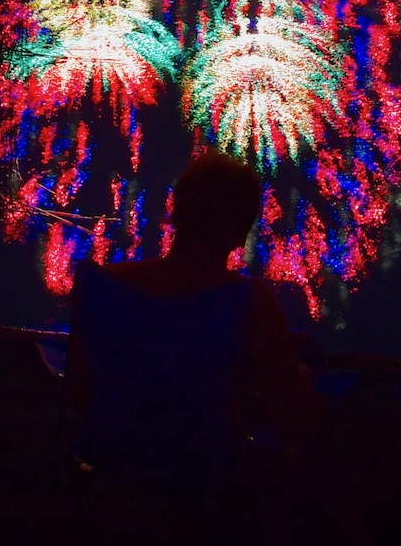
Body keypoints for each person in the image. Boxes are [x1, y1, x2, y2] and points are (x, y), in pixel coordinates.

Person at [66, 150, 322, 449]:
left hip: (106, 471)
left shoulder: (104, 285)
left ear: (177, 212)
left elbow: (78, 395)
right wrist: (303, 376)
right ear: (241, 232)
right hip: (205, 479)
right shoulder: (250, 303)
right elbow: (295, 416)